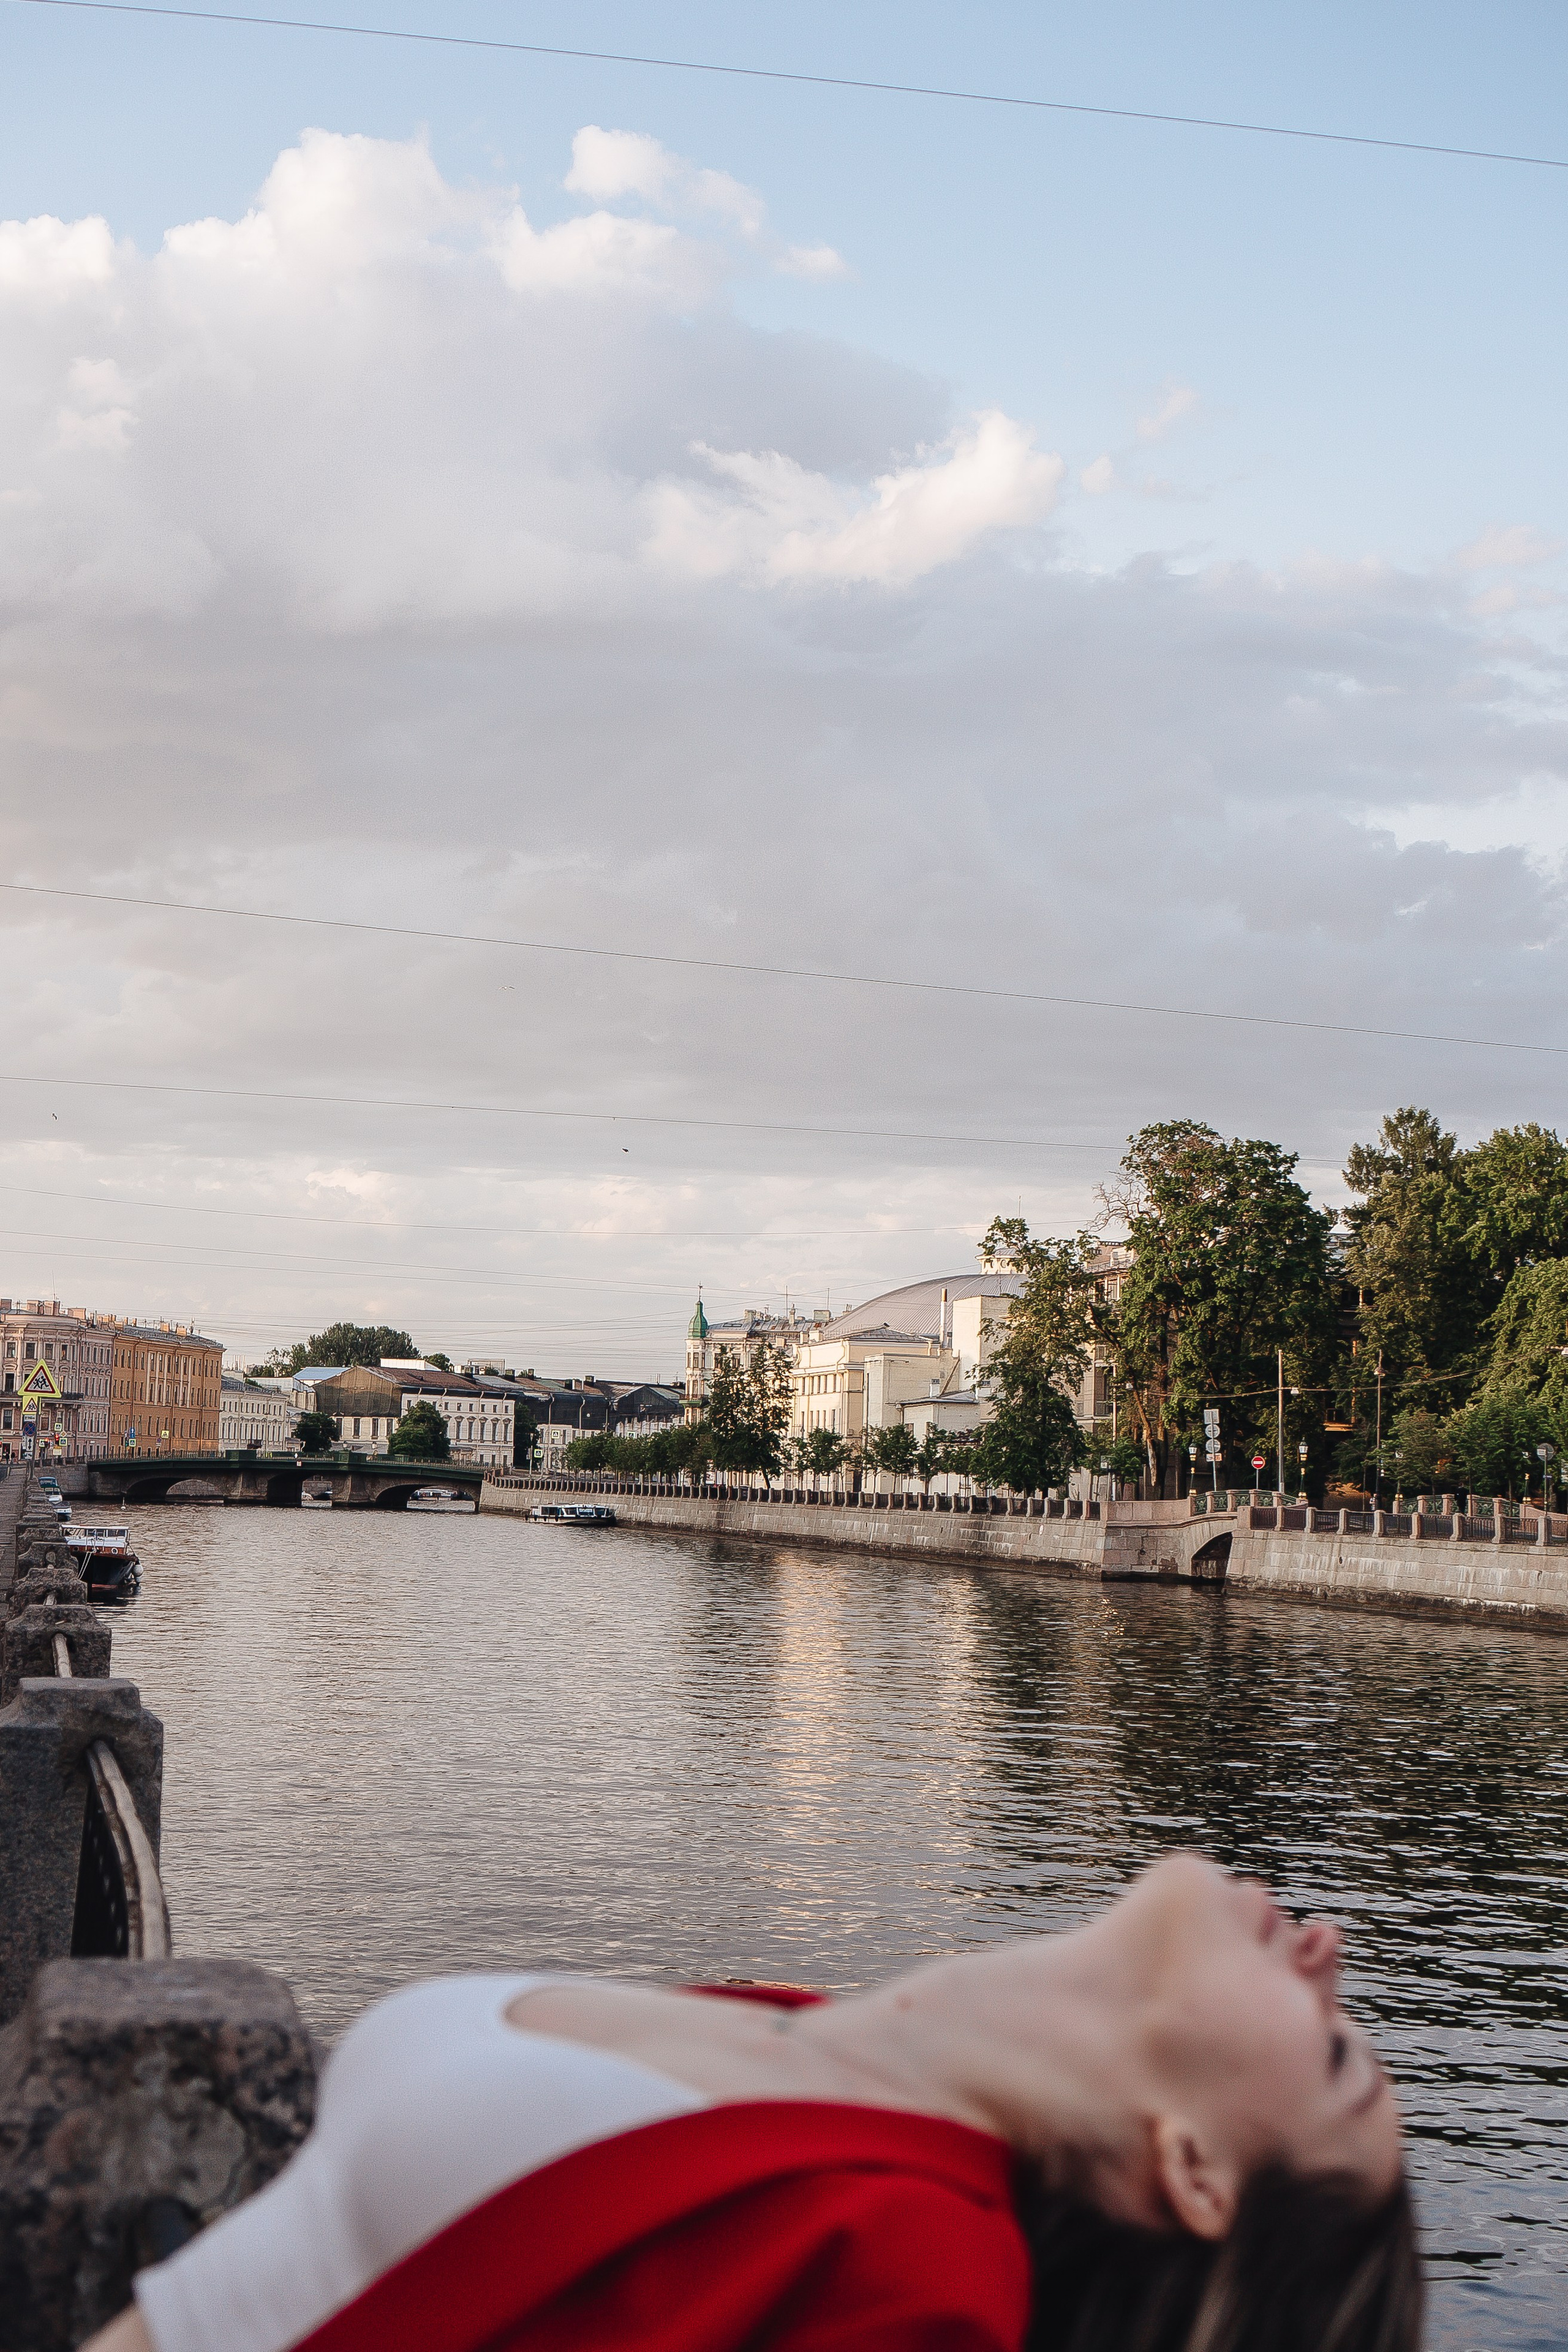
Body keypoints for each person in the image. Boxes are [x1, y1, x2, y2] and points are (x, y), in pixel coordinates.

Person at [86, 1854, 1421, 2352]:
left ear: (1191, 2169)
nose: (1329, 1951)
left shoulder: (921, 2284)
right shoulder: (809, 2029)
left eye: (1336, 2057)